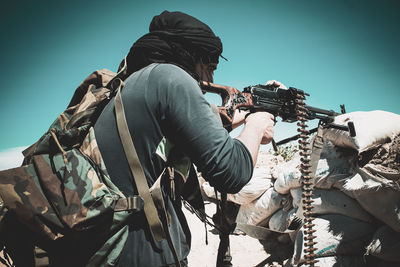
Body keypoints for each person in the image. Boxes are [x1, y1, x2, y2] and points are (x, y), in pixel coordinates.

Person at [93, 10, 275, 266]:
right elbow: (232, 173)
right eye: (209, 67)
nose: (210, 79)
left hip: (112, 248)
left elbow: (182, 139)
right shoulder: (171, 77)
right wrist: (257, 124)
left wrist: (236, 121)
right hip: (140, 253)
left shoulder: (134, 83)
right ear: (190, 55)